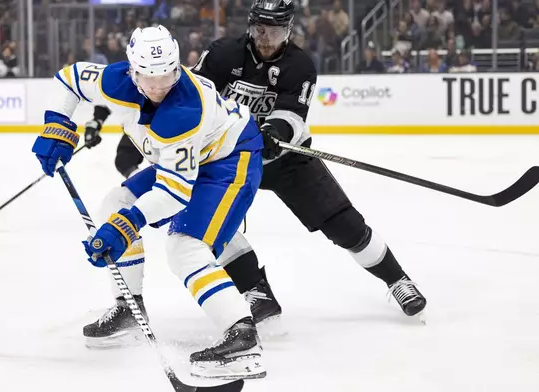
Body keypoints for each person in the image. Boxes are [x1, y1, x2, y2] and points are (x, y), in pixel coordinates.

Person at [85, 0, 427, 329]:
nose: (265, 38)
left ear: (289, 31)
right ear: (251, 26)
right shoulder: (223, 54)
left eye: (274, 32)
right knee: (208, 223)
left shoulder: (300, 66)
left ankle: (397, 280)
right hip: (225, 157)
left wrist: (273, 130)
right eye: (260, 29)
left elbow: (293, 114)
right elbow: (182, 95)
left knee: (342, 224)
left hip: (285, 159)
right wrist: (135, 140)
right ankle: (257, 293)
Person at [30, 25, 266, 380]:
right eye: (148, 78)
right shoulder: (115, 80)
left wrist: (126, 226)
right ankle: (129, 307)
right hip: (190, 161)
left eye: (168, 75)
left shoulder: (184, 109)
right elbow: (69, 79)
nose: (158, 87)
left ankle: (242, 335)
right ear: (132, 70)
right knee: (116, 202)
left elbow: (174, 192)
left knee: (185, 247)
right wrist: (57, 124)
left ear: (177, 67)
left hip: (230, 160)